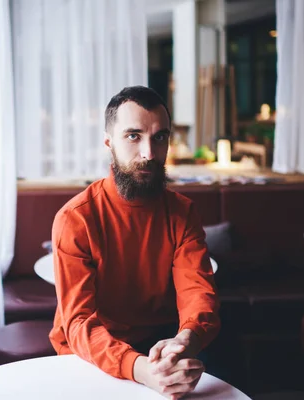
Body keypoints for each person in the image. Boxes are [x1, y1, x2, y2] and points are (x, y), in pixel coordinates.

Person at [49, 86, 220, 399]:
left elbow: (197, 292)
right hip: (91, 351)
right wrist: (139, 368)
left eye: (159, 137)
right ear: (108, 142)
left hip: (162, 343)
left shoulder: (183, 212)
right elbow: (79, 322)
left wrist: (186, 339)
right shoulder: (76, 218)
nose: (149, 154)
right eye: (133, 136)